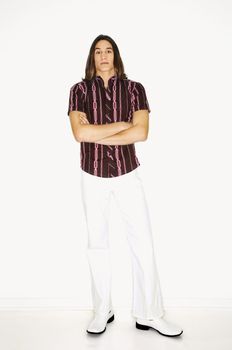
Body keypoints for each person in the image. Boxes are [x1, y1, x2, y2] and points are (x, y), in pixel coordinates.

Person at [67, 34, 183, 337]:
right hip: (91, 175)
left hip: (127, 173)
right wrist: (121, 126)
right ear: (92, 58)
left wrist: (99, 132)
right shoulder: (78, 91)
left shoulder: (135, 90)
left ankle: (150, 313)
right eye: (97, 51)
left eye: (108, 50)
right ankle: (102, 310)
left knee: (142, 241)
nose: (103, 55)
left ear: (116, 56)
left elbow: (141, 133)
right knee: (97, 244)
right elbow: (80, 135)